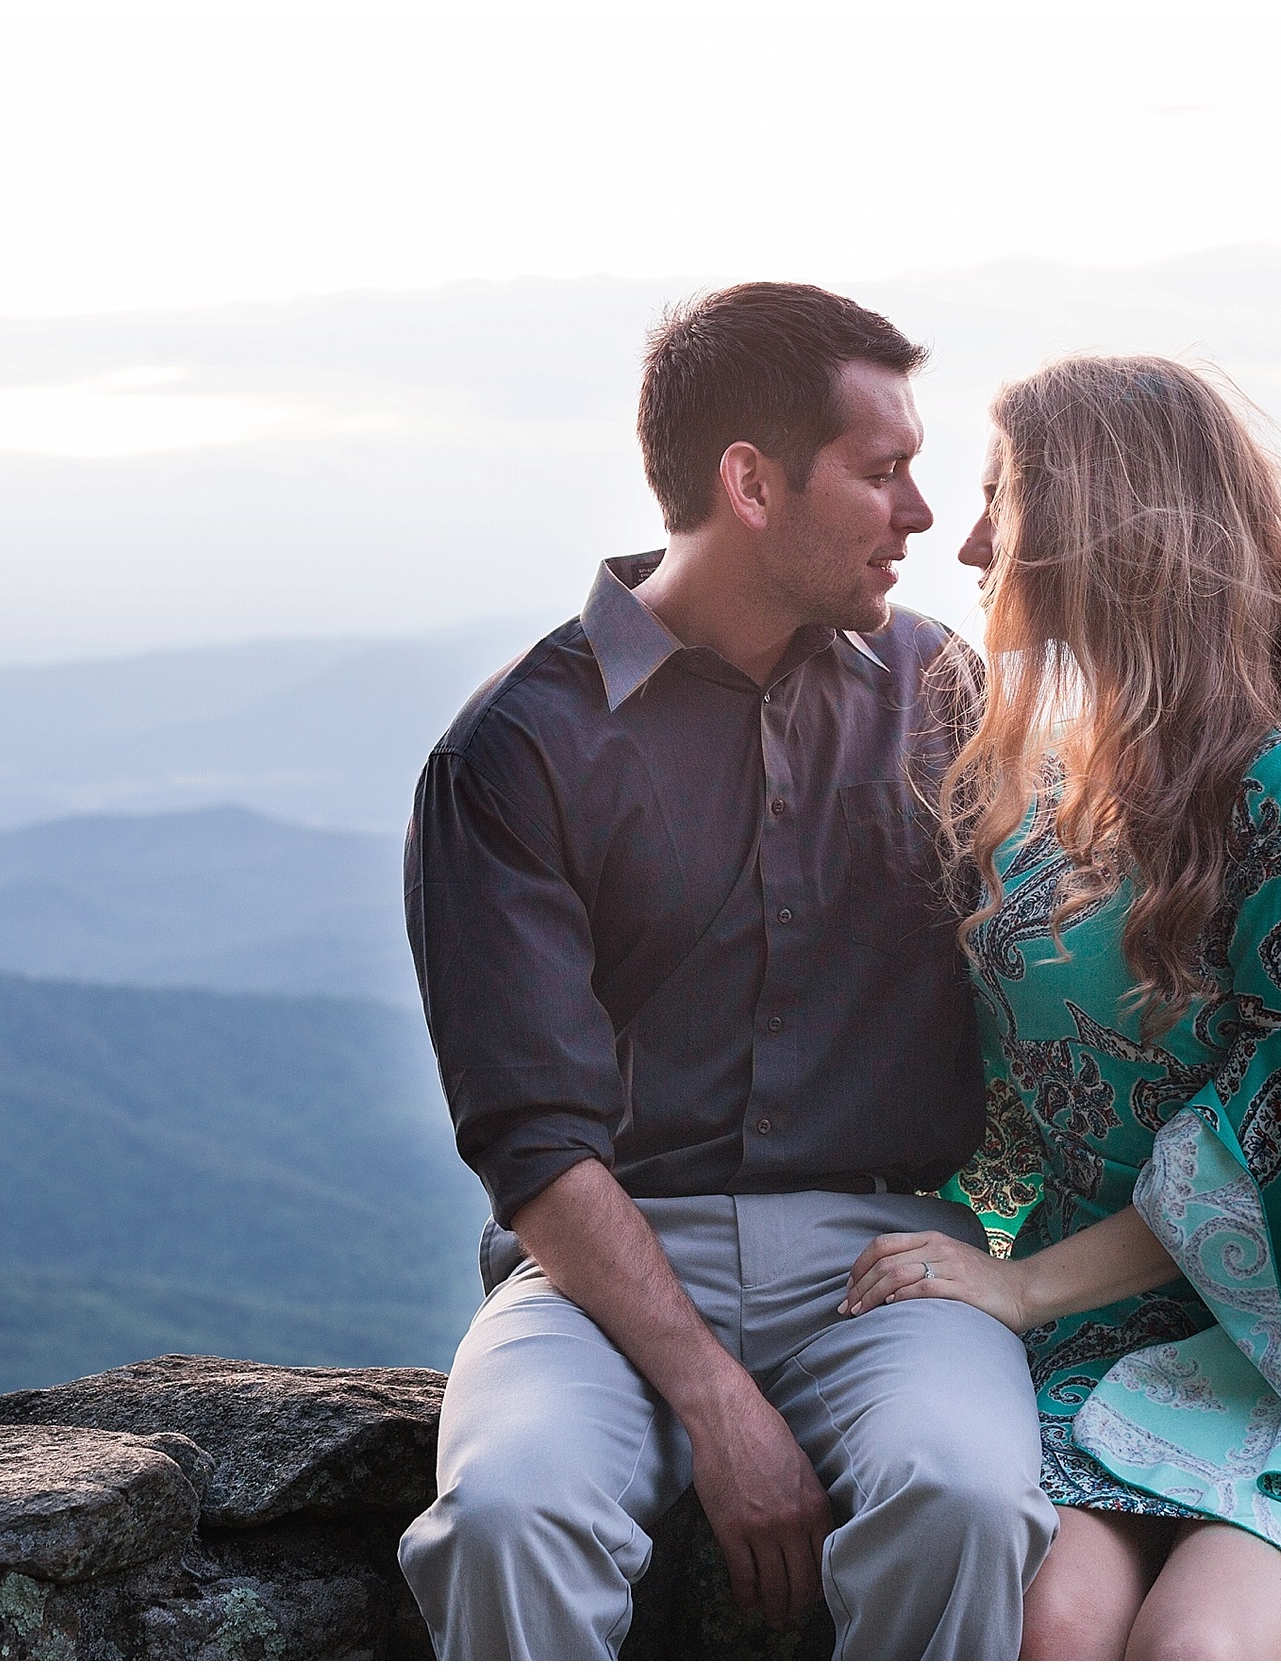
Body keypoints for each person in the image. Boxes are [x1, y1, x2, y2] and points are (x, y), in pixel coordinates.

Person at [396, 283, 1055, 1659]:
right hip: (603, 1266)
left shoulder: (946, 702)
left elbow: (1070, 1012)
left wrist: (1006, 1244)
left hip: (898, 1257)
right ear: (750, 483)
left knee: (969, 1497)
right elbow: (532, 1138)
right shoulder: (516, 751)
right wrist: (717, 1398)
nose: (922, 515)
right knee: (509, 1513)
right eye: (882, 474)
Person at [840, 356, 1281, 1661]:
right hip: (1096, 1328)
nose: (965, 543)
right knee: (1057, 1628)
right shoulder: (1026, 781)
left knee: (1193, 1649)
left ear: (1096, 522)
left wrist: (1013, 1292)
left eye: (997, 501)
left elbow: (1279, 1140)